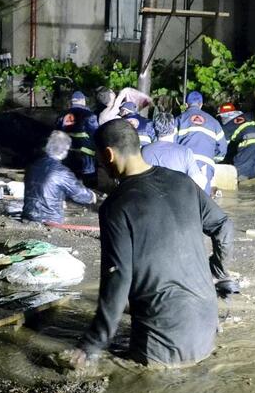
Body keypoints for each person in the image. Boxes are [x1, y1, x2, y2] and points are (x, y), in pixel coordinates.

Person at [62, 119, 237, 369]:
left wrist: (92, 344)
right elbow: (224, 227)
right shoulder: (182, 182)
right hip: (207, 325)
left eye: (100, 159)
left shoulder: (116, 206)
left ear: (108, 155)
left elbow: (117, 279)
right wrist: (217, 272)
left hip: (162, 342)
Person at [22, 131, 97, 224]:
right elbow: (79, 194)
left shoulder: (32, 165)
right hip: (50, 219)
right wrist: (91, 196)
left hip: (28, 215)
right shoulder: (61, 172)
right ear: (64, 150)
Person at [176, 91, 227, 194]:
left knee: (183, 196)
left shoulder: (179, 119)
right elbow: (223, 149)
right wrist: (212, 160)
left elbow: (171, 143)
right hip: (206, 165)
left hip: (184, 163)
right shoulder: (214, 122)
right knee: (203, 200)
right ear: (201, 104)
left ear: (186, 104)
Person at [141, 112, 208, 189]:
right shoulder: (185, 152)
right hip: (176, 199)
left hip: (150, 198)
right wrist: (204, 175)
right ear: (174, 129)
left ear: (155, 130)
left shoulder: (144, 151)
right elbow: (199, 185)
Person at [55, 90, 99, 185]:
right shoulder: (90, 115)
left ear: (72, 102)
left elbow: (57, 133)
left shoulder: (62, 116)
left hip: (67, 153)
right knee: (88, 179)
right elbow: (96, 134)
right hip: (86, 154)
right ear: (83, 101)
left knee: (70, 178)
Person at [217, 103, 255, 182]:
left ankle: (241, 187)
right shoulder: (247, 116)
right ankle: (252, 188)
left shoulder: (228, 126)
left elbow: (223, 145)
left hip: (248, 145)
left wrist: (216, 159)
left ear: (223, 115)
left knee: (240, 170)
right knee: (254, 169)